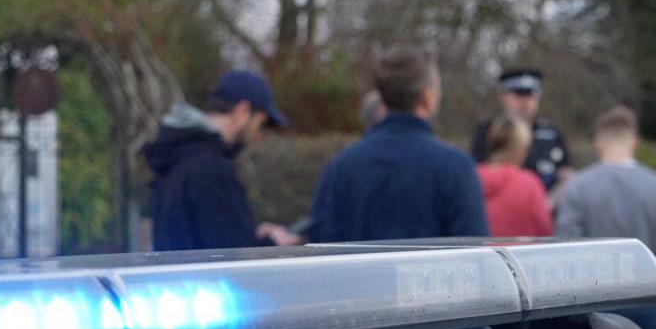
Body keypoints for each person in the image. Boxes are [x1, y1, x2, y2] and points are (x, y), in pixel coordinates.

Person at [309, 46, 488, 242]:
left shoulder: (340, 166)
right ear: (427, 96)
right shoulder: (455, 167)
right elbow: (475, 253)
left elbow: (322, 244)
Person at [556, 106, 656, 329]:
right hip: (648, 297)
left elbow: (563, 244)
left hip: (596, 304)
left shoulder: (579, 187)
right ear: (634, 142)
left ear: (598, 143)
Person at [145, 70, 298, 251]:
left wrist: (251, 231)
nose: (258, 136)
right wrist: (273, 244)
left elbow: (205, 235)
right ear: (243, 112)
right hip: (202, 280)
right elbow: (232, 257)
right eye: (261, 123)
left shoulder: (178, 154)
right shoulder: (211, 169)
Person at [471, 69, 572, 192]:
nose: (526, 103)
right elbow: (476, 174)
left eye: (531, 96)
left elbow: (566, 174)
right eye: (519, 96)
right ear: (502, 96)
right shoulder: (487, 132)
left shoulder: (551, 133)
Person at [476, 115, 553, 237]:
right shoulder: (529, 185)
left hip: (479, 255)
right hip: (518, 255)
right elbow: (544, 230)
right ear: (521, 150)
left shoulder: (470, 179)